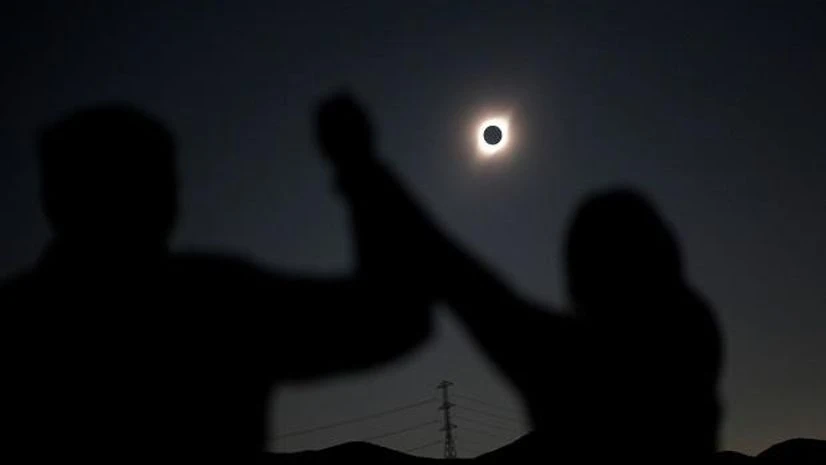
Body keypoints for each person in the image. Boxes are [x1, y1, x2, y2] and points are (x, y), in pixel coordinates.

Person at [0, 103, 432, 464]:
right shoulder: (219, 301)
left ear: (51, 200)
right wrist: (357, 166)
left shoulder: (20, 323)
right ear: (168, 201)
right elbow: (396, 318)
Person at [315, 93, 723, 465]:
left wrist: (360, 167)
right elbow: (463, 279)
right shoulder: (692, 337)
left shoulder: (581, 372)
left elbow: (461, 279)